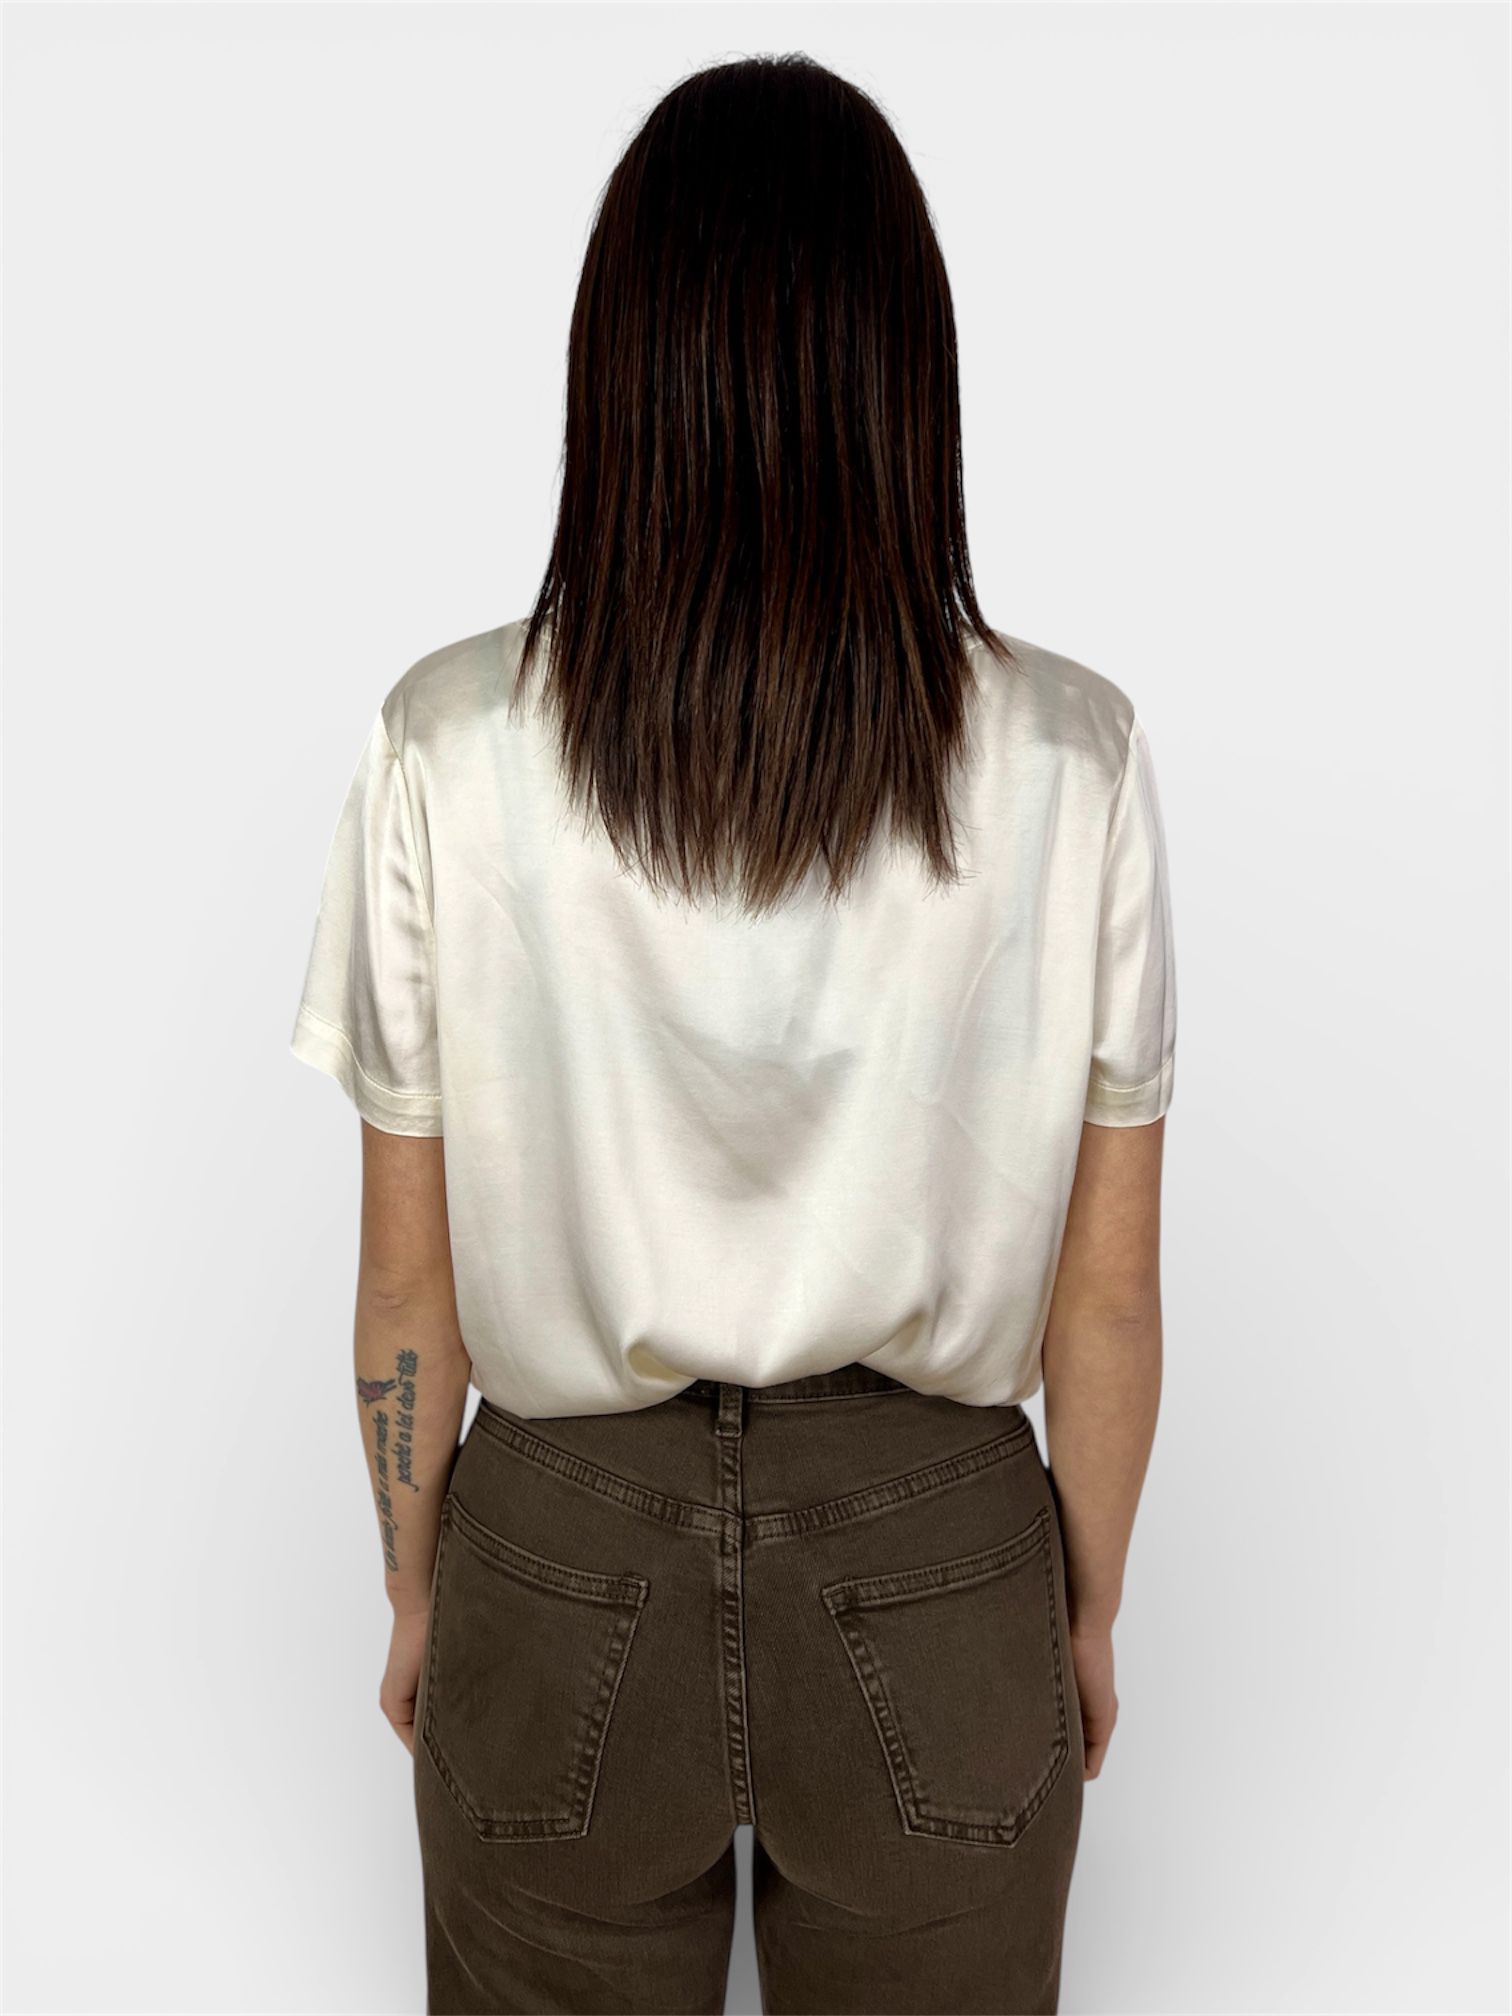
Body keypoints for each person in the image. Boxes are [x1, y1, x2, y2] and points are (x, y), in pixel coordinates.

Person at [290, 52, 1174, 2016]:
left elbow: (408, 1283)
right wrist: (1083, 1608)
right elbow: (1105, 1300)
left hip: (556, 1550)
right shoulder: (1071, 757)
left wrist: (422, 1578)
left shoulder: (446, 742)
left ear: (620, 372)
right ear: (904, 380)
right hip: (943, 1563)